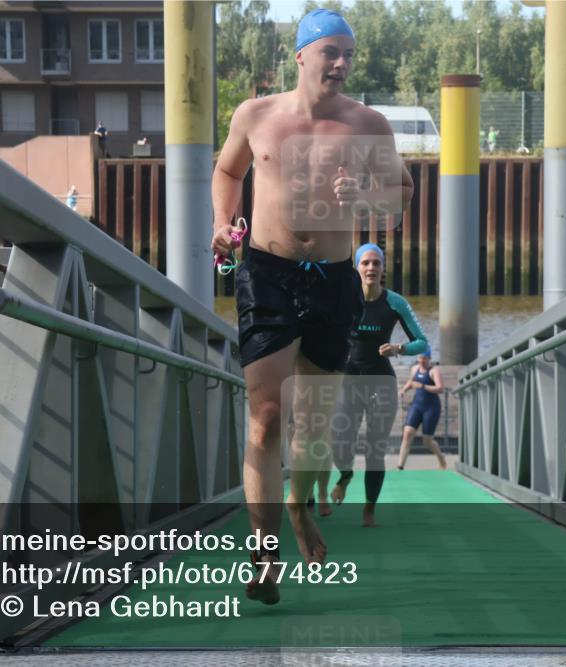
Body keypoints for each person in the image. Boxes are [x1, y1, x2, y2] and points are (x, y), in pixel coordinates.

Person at [211, 8, 413, 605]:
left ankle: (299, 506)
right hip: (268, 273)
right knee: (268, 415)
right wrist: (224, 225)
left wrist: (367, 193)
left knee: (316, 422)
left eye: (349, 54)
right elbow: (227, 170)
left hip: (332, 278)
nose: (342, 64)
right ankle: (266, 552)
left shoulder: (368, 124)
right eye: (330, 52)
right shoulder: (257, 115)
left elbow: (401, 194)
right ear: (300, 55)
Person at [314, 243, 427, 527]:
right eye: (365, 263)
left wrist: (399, 349)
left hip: (381, 383)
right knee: (340, 442)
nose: (371, 268)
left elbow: (422, 342)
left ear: (383, 268)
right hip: (347, 380)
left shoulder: (394, 302)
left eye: (376, 263)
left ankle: (369, 509)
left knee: (375, 449)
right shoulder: (342, 299)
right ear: (357, 267)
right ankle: (345, 476)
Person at [398, 346, 447, 470]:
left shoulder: (433, 371)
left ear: (429, 358)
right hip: (417, 405)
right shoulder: (415, 369)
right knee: (407, 433)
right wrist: (404, 389)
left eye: (424, 358)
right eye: (420, 358)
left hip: (431, 407)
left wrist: (423, 386)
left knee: (427, 441)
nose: (422, 361)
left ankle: (441, 458)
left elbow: (440, 388)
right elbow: (411, 381)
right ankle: (400, 466)